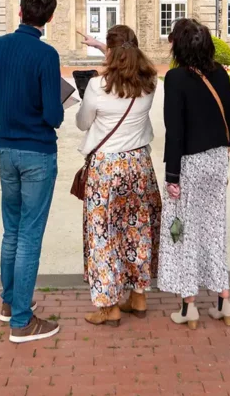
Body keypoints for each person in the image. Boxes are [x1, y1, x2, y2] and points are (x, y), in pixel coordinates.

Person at [0, 0, 64, 344]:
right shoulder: (46, 55)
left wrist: (9, 96)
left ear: (20, 11)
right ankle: (22, 322)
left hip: (7, 150)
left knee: (11, 230)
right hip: (38, 152)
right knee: (29, 235)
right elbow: (54, 116)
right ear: (50, 17)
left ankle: (10, 304)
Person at [75, 25, 161, 327]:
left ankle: (108, 304)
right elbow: (126, 58)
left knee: (103, 235)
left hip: (106, 169)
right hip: (138, 165)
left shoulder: (98, 86)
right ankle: (138, 296)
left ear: (111, 52)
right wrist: (103, 46)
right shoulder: (149, 82)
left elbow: (83, 123)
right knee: (137, 230)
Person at [157, 18, 230, 329]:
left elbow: (174, 131)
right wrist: (222, 147)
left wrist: (172, 176)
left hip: (189, 163)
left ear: (178, 46)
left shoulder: (176, 79)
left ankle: (189, 305)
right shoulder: (220, 74)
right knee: (215, 228)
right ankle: (224, 300)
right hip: (217, 159)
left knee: (184, 232)